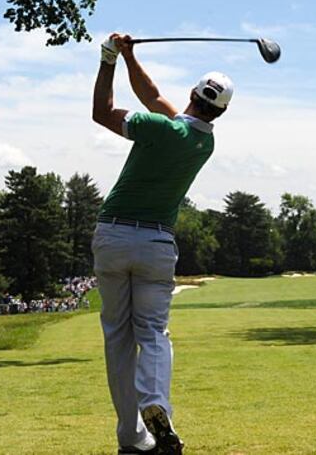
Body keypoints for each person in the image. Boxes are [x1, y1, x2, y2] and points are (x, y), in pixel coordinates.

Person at [91, 32, 233, 455]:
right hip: (156, 244)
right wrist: (131, 57)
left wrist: (109, 58)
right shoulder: (203, 141)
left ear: (192, 93)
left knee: (118, 337)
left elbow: (101, 113)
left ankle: (131, 438)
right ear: (220, 112)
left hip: (114, 236)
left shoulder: (157, 127)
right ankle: (156, 405)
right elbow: (152, 96)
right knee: (152, 332)